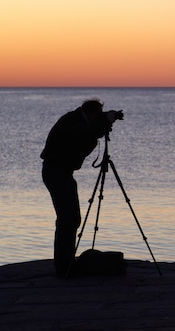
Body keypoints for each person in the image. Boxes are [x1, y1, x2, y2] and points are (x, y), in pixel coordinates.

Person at [41, 99, 120, 277]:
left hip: (62, 173)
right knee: (68, 219)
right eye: (98, 115)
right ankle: (64, 267)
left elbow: (87, 137)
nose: (99, 118)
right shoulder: (73, 123)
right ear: (91, 113)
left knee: (70, 219)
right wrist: (105, 123)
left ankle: (66, 263)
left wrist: (104, 124)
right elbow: (84, 139)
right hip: (56, 172)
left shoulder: (77, 120)